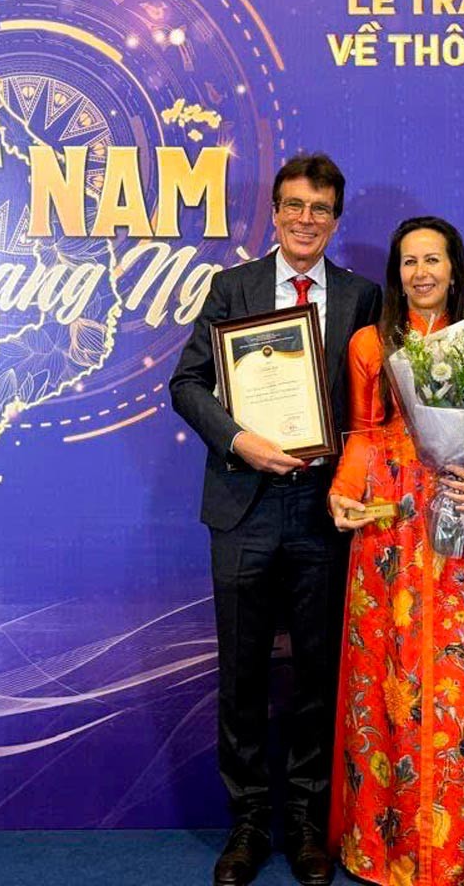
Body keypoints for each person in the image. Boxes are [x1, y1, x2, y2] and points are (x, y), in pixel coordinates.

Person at [171, 153, 383, 886]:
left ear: (336, 218)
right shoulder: (232, 288)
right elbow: (187, 382)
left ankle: (305, 823)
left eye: (320, 209)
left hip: (326, 512)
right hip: (243, 506)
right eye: (293, 205)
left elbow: (373, 412)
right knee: (243, 675)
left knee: (320, 676)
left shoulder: (362, 297)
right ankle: (249, 824)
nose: (305, 220)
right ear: (274, 210)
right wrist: (240, 440)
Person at [326, 217, 464, 886]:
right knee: (388, 681)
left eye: (432, 260)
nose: (421, 273)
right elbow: (361, 434)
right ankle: (387, 848)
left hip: (459, 524)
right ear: (396, 271)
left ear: (453, 268)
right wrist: (343, 494)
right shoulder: (368, 343)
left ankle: (459, 848)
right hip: (387, 530)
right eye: (409, 261)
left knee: (458, 683)